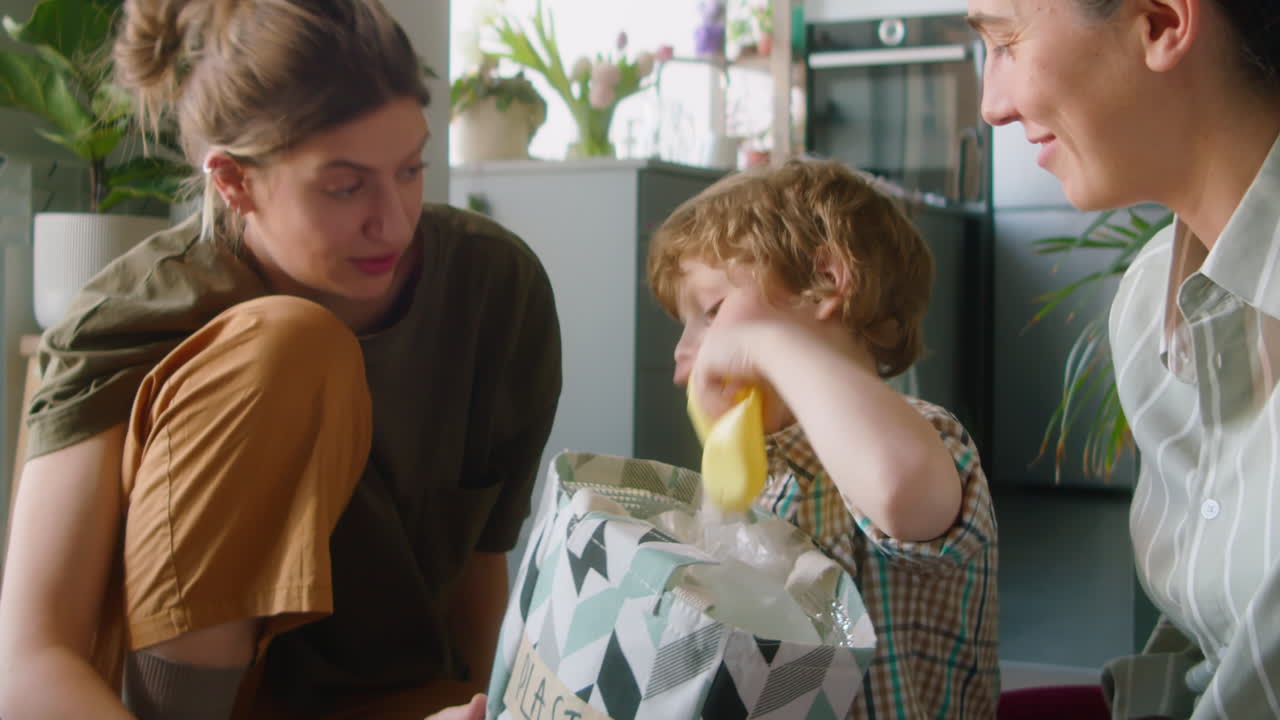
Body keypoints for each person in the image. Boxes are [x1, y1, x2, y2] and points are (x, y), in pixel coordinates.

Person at [0, 1, 561, 718]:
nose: (392, 219)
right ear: (233, 182)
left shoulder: (494, 291)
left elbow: (481, 573)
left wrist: (485, 707)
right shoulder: (129, 318)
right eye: (345, 185)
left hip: (398, 701)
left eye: (411, 168)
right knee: (293, 346)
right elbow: (30, 665)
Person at [969, 0, 1280, 716]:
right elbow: (1212, 647)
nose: (991, 107)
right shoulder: (1150, 307)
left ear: (1161, 22)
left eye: (1006, 42)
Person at [647, 158, 1000, 719]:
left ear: (827, 281)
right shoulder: (762, 471)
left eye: (712, 312)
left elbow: (901, 489)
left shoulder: (921, 435)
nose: (684, 357)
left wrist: (763, 346)